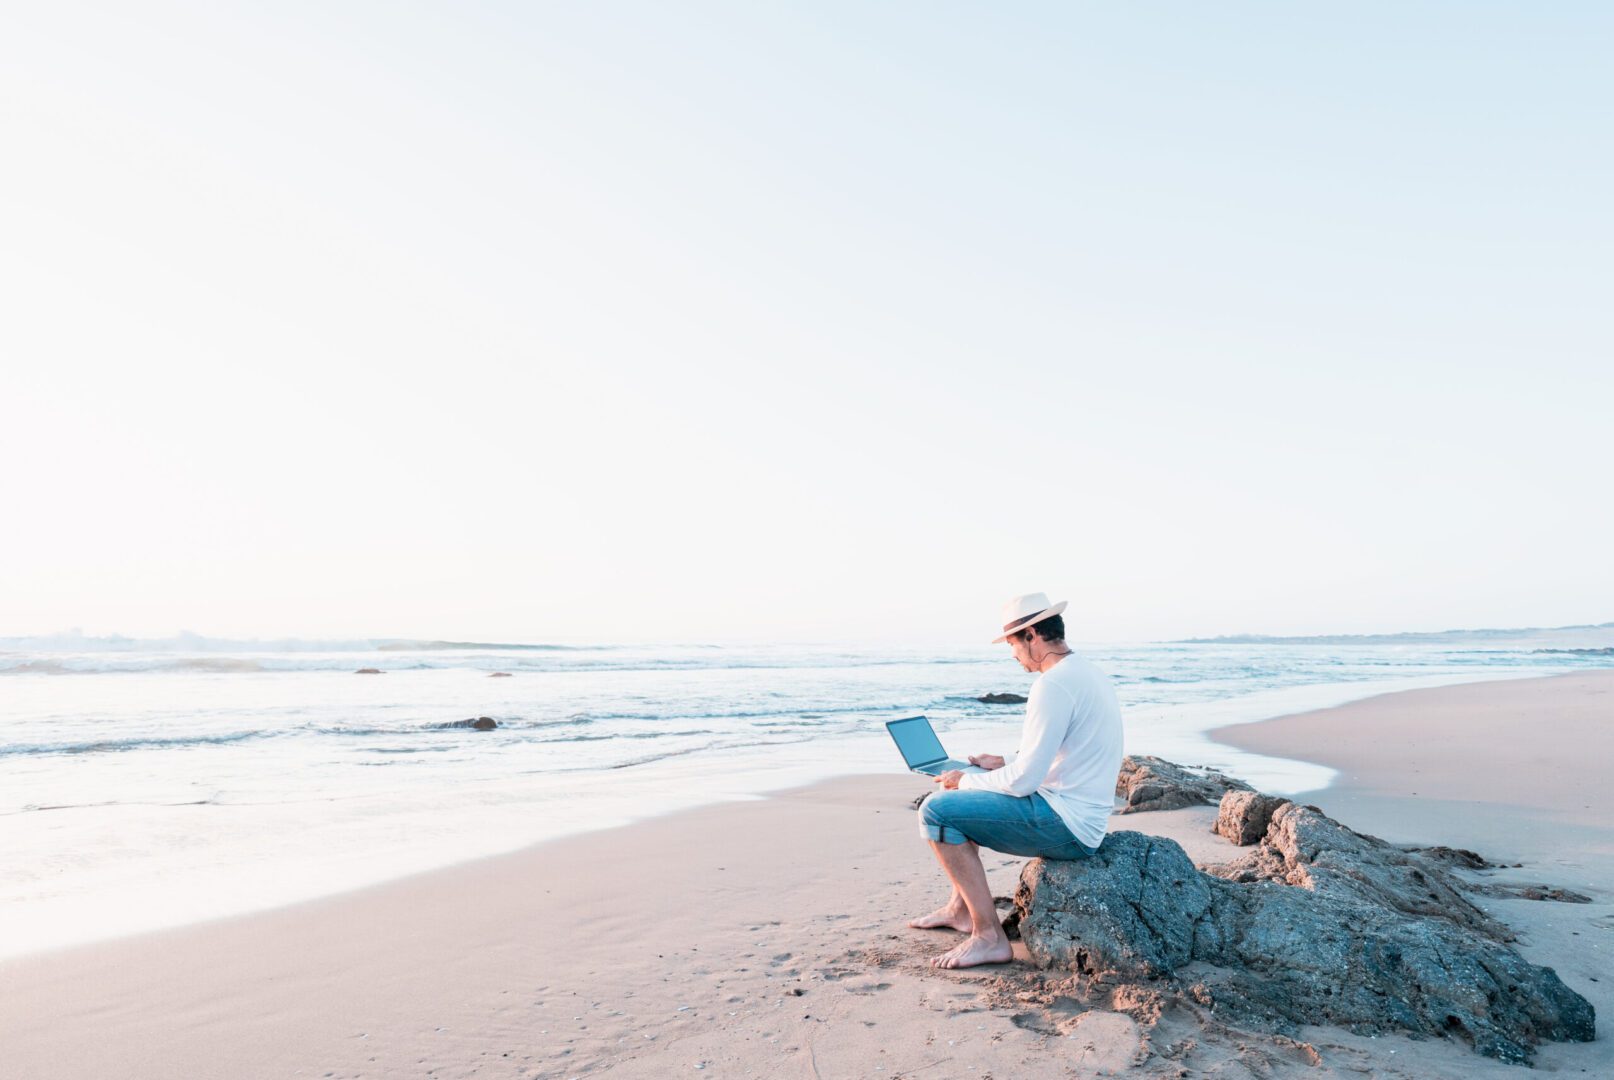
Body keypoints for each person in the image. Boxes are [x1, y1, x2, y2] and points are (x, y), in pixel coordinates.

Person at [911, 592, 1125, 969]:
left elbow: (1025, 781)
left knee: (937, 811)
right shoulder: (1085, 671)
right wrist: (1002, 762)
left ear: (1031, 635)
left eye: (1012, 644)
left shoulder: (1053, 685)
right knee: (967, 798)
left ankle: (988, 937)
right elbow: (1064, 751)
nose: (1012, 655)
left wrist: (965, 781)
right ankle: (958, 909)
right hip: (1080, 814)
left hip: (1067, 825)